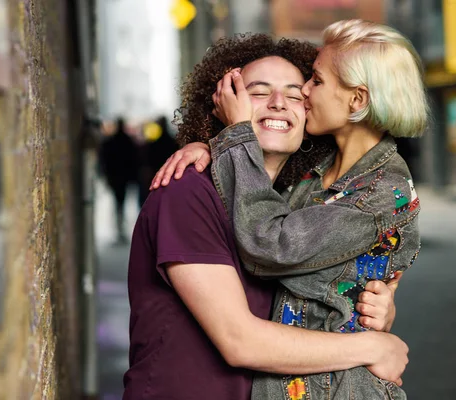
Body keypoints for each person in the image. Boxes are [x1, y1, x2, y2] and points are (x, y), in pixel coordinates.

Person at [153, 20, 428, 399]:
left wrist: (234, 137)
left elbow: (271, 247)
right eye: (258, 92)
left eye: (313, 82)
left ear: (357, 100)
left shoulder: (376, 195)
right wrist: (211, 146)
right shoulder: (314, 173)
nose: (302, 92)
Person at [98, 117, 139, 243]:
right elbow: (134, 159)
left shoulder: (111, 141)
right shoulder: (128, 141)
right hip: (123, 177)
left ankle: (119, 229)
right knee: (122, 202)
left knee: (118, 203)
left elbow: (105, 160)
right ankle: (120, 229)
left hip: (116, 177)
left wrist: (105, 175)